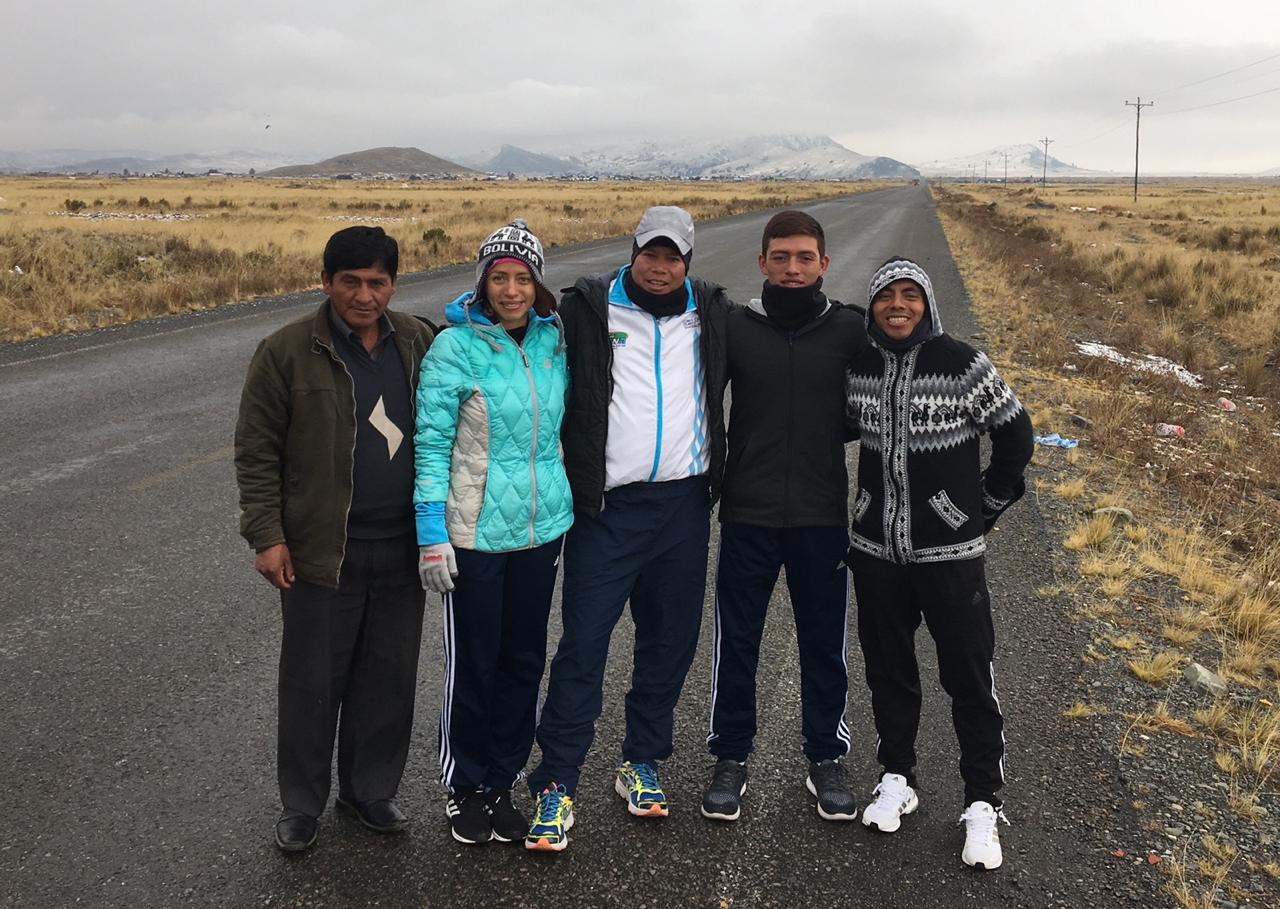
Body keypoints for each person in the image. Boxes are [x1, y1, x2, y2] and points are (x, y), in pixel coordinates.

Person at [523, 206, 730, 852]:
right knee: (583, 644)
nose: (660, 266)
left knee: (669, 643)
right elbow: (515, 328)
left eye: (673, 257)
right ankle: (555, 783)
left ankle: (642, 760)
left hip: (684, 507)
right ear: (633, 250)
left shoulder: (713, 312)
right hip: (608, 511)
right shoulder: (588, 309)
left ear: (688, 263)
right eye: (651, 253)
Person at [234, 226, 434, 852]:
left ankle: (369, 792)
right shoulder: (287, 351)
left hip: (404, 547)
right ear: (326, 282)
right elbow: (257, 450)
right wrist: (267, 535)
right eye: (350, 281)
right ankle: (302, 805)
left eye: (378, 282)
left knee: (389, 678)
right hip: (325, 551)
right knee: (312, 682)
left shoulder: (420, 342)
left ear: (394, 285)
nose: (364, 295)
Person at [844, 257, 1033, 870]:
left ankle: (983, 801)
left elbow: (1016, 433)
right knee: (889, 670)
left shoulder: (964, 363)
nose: (897, 306)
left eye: (910, 296)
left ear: (926, 303)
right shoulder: (861, 366)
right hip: (876, 552)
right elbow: (838, 429)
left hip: (950, 555)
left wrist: (982, 506)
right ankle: (897, 776)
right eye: (886, 297)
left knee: (969, 676)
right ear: (872, 306)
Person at [701, 210, 867, 824]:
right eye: (780, 257)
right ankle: (730, 757)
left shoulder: (850, 329)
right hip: (747, 510)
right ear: (761, 262)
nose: (792, 269)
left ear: (823, 263)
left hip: (822, 516)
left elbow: (882, 392)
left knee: (824, 642)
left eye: (804, 258)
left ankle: (826, 756)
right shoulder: (734, 327)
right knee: (736, 641)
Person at [413, 220, 572, 846]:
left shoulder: (553, 342)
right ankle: (463, 785)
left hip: (540, 532)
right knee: (473, 665)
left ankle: (502, 779)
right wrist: (431, 532)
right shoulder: (454, 347)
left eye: (522, 278)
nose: (511, 289)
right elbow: (431, 444)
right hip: (474, 535)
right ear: (481, 282)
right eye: (499, 278)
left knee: (523, 661)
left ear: (538, 285)